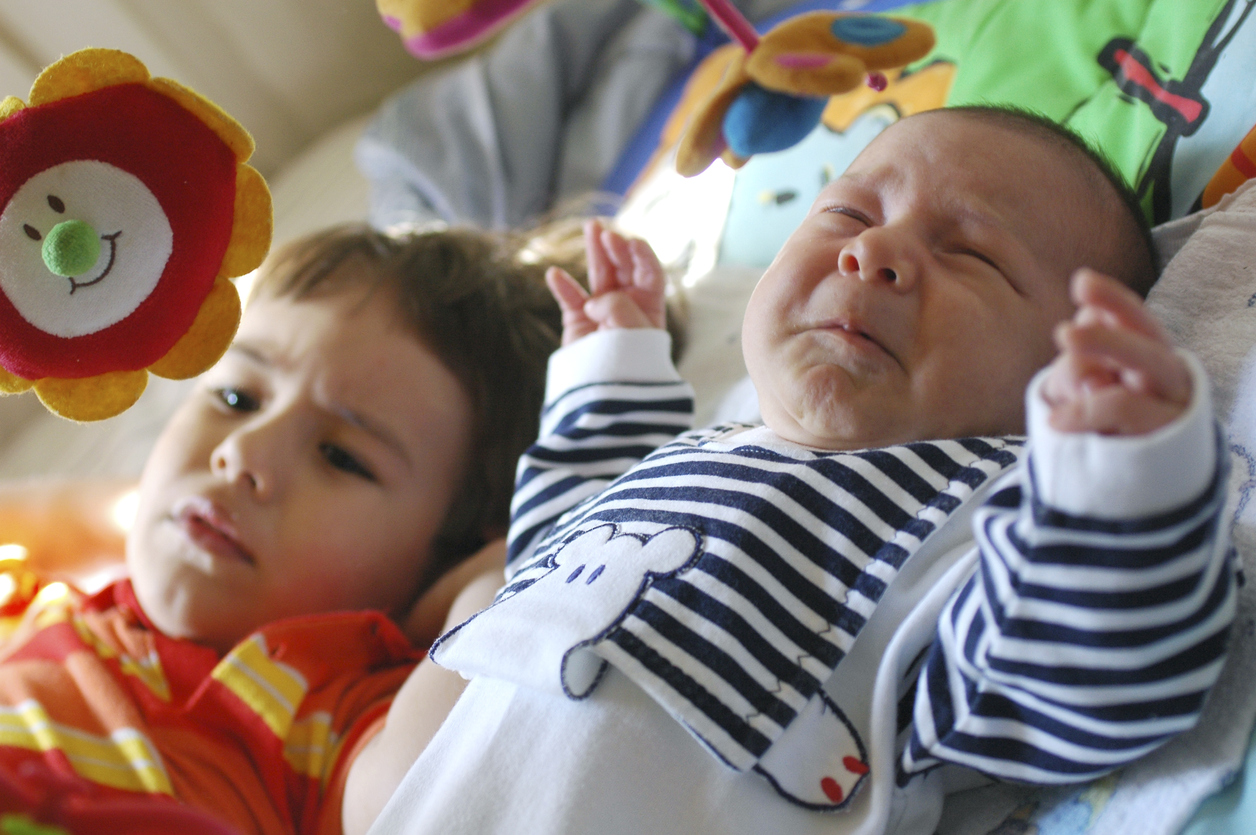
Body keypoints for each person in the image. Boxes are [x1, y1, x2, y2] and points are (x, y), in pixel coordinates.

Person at [365, 106, 1235, 835]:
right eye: (848, 213)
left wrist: (1120, 489)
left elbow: (1072, 685)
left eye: (973, 254)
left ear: (1056, 371)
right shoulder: (707, 446)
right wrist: (610, 370)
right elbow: (551, 566)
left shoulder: (983, 522)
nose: (875, 251)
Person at [0, 222, 575, 835]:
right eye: (236, 398)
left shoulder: (337, 717)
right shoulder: (55, 605)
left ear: (448, 554)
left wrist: (489, 580)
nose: (243, 453)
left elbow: (422, 795)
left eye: (341, 457)